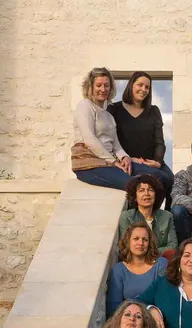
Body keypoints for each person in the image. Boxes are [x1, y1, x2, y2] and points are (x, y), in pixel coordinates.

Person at [72, 68, 170, 192]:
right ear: (90, 87)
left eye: (107, 85)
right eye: (98, 85)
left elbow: (115, 143)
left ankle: (158, 211)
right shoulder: (85, 106)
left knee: (161, 177)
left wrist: (124, 158)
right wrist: (114, 162)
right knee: (135, 185)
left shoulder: (108, 115)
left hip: (109, 163)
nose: (103, 89)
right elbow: (90, 140)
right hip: (90, 164)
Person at [108, 71, 174, 208]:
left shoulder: (154, 111)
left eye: (147, 87)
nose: (143, 90)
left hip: (151, 160)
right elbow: (110, 141)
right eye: (140, 85)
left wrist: (157, 162)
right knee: (155, 181)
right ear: (131, 85)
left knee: (172, 180)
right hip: (127, 160)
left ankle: (166, 216)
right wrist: (127, 158)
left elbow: (159, 142)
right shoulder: (114, 109)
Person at [106, 222, 168, 318]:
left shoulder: (161, 265)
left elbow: (164, 300)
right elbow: (114, 309)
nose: (140, 243)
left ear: (150, 243)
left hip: (156, 320)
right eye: (136, 239)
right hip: (128, 322)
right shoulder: (118, 270)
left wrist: (129, 302)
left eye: (145, 240)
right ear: (128, 242)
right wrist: (148, 307)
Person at [118, 175, 177, 255]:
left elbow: (173, 247)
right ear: (135, 196)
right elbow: (125, 246)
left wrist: (147, 251)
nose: (146, 194)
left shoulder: (167, 216)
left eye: (151, 190)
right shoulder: (127, 217)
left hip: (161, 262)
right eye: (141, 190)